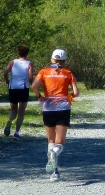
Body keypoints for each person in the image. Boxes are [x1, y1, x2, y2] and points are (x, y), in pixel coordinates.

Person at [32, 49, 79, 182]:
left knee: (51, 140)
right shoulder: (68, 73)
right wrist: (69, 95)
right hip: (63, 108)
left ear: (52, 59)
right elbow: (76, 93)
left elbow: (34, 85)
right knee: (60, 142)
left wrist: (39, 96)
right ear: (64, 61)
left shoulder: (43, 72)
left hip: (48, 107)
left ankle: (54, 170)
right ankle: (55, 160)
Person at [3, 44, 33, 139]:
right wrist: (33, 85)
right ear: (27, 54)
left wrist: (7, 80)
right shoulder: (29, 64)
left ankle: (9, 122)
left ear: (18, 53)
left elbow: (5, 72)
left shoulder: (12, 62)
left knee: (14, 111)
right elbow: (30, 78)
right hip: (23, 89)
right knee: (21, 112)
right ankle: (16, 133)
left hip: (13, 88)